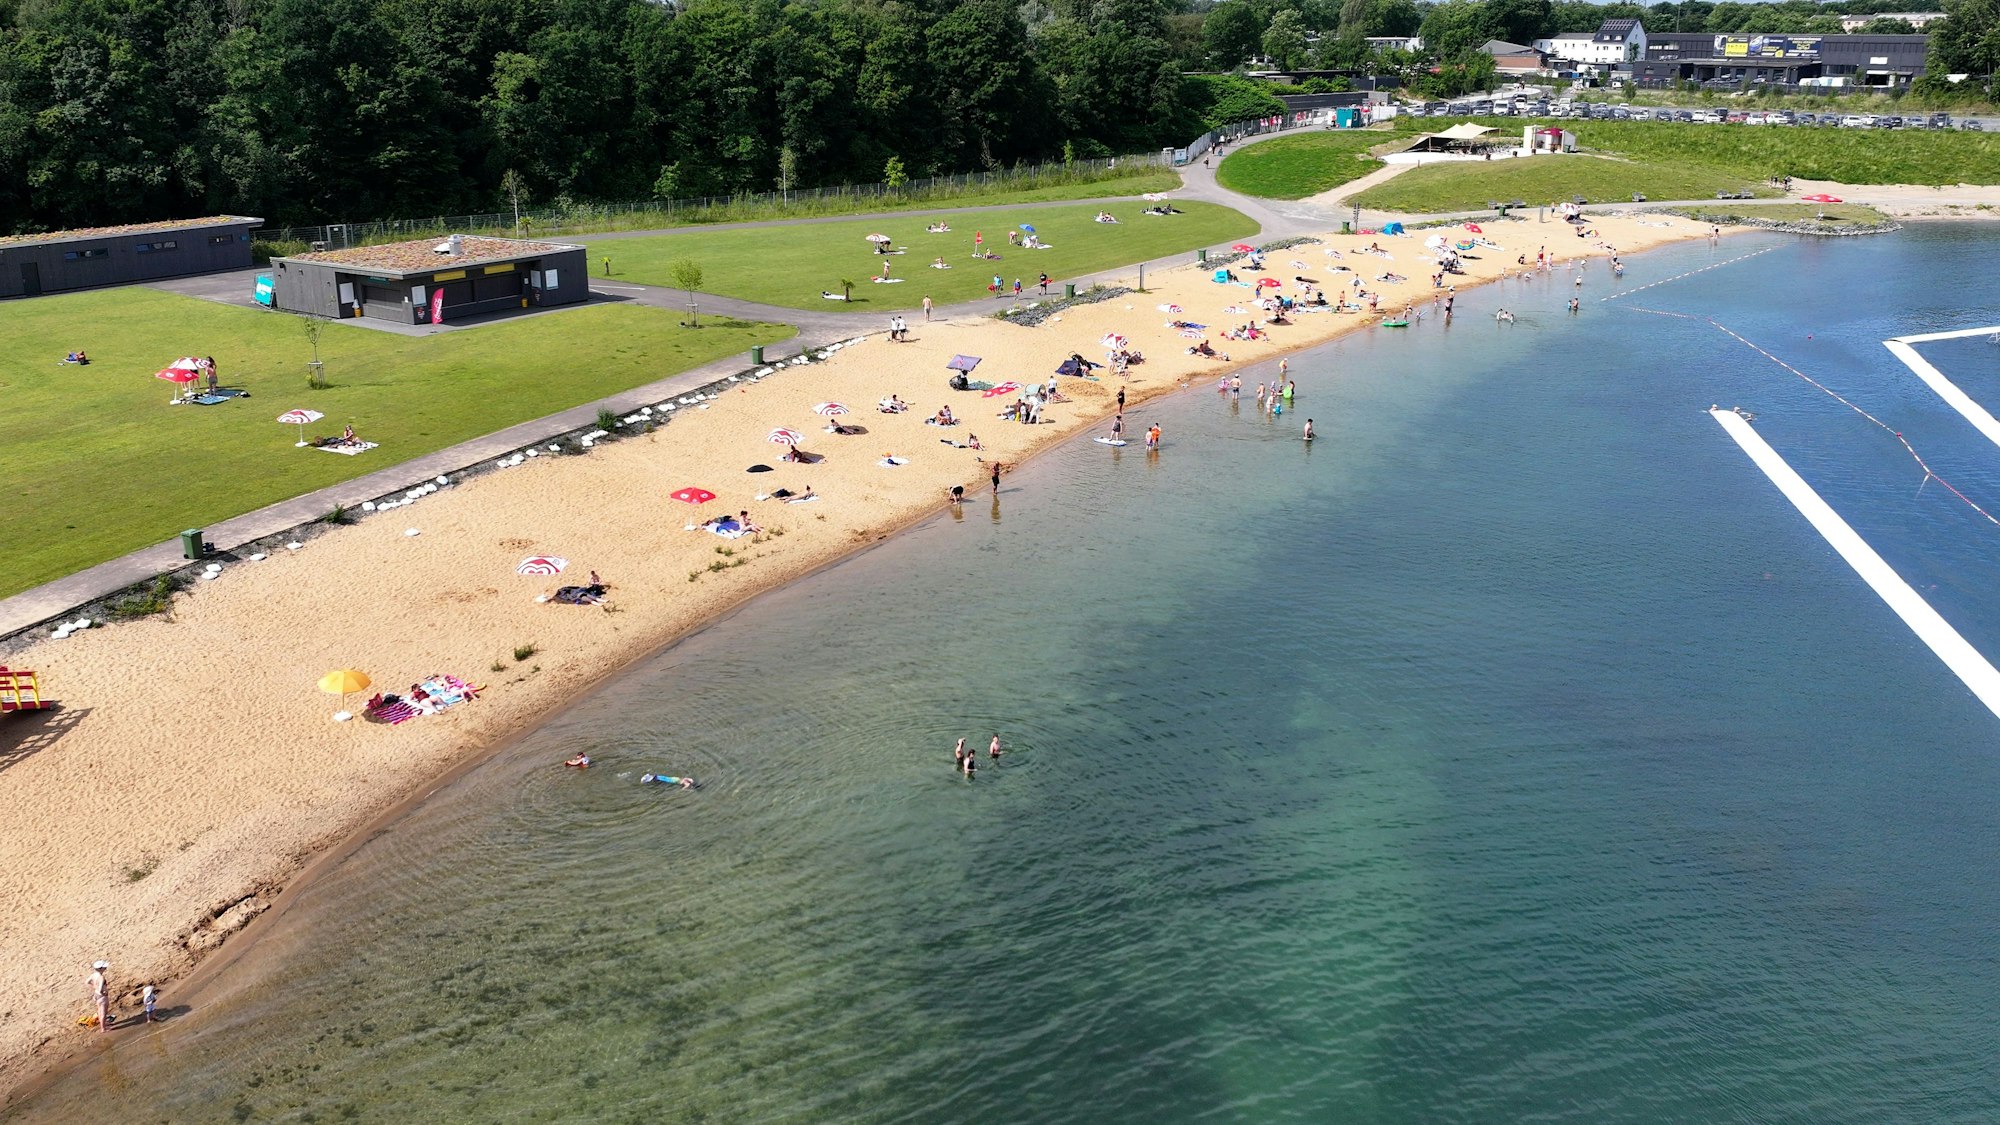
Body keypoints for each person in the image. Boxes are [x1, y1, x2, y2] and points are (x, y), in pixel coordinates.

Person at [88, 960, 110, 1032]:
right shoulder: (101, 977)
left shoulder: (93, 975)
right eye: (104, 967)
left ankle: (103, 1024)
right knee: (103, 1012)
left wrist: (94, 987)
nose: (105, 968)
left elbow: (87, 982)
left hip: (96, 995)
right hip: (102, 996)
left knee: (100, 1011)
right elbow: (100, 989)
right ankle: (103, 1028)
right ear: (100, 968)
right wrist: (104, 993)